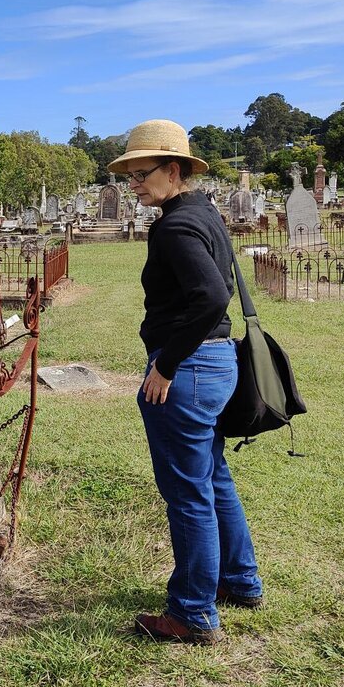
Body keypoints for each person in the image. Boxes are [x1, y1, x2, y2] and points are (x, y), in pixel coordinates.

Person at [109, 121, 263, 644]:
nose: (133, 185)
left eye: (141, 174)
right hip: (218, 364)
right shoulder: (203, 213)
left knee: (188, 494)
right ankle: (240, 581)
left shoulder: (175, 227)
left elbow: (212, 297)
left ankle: (193, 613)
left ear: (173, 171)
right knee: (213, 478)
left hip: (189, 370)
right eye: (129, 176)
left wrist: (166, 365)